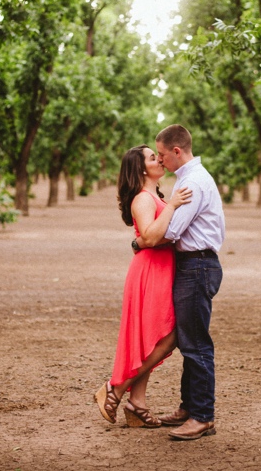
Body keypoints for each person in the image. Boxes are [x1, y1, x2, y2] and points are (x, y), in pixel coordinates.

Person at [135, 124, 225, 441]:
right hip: (192, 264)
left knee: (196, 343)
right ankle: (189, 407)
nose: (159, 161)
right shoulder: (186, 179)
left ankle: (203, 416)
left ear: (176, 151)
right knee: (189, 340)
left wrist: (142, 242)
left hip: (198, 264)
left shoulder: (194, 183)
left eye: (161, 154)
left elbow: (171, 232)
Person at [94, 145, 192, 428]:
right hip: (151, 271)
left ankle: (138, 403)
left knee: (150, 337)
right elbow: (149, 236)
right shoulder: (143, 198)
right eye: (152, 157)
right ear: (140, 170)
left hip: (159, 269)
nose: (159, 159)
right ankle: (116, 387)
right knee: (169, 336)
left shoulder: (152, 196)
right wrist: (172, 206)